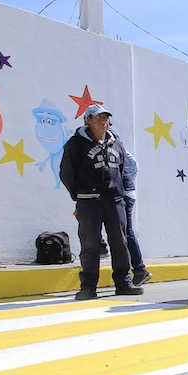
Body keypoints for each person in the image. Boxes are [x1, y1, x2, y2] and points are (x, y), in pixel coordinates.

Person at [59, 104, 143, 300]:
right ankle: (88, 286)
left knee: (120, 242)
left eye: (105, 118)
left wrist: (122, 193)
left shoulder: (116, 144)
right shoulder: (76, 144)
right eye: (98, 118)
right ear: (88, 120)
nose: (103, 121)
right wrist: (79, 195)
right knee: (90, 244)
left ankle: (123, 283)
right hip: (89, 202)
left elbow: (123, 169)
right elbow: (67, 172)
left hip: (114, 201)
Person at [120, 144, 153, 285]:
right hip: (123, 191)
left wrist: (125, 181)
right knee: (124, 231)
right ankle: (139, 269)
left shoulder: (112, 140)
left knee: (126, 231)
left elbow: (133, 164)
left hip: (123, 192)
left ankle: (140, 269)